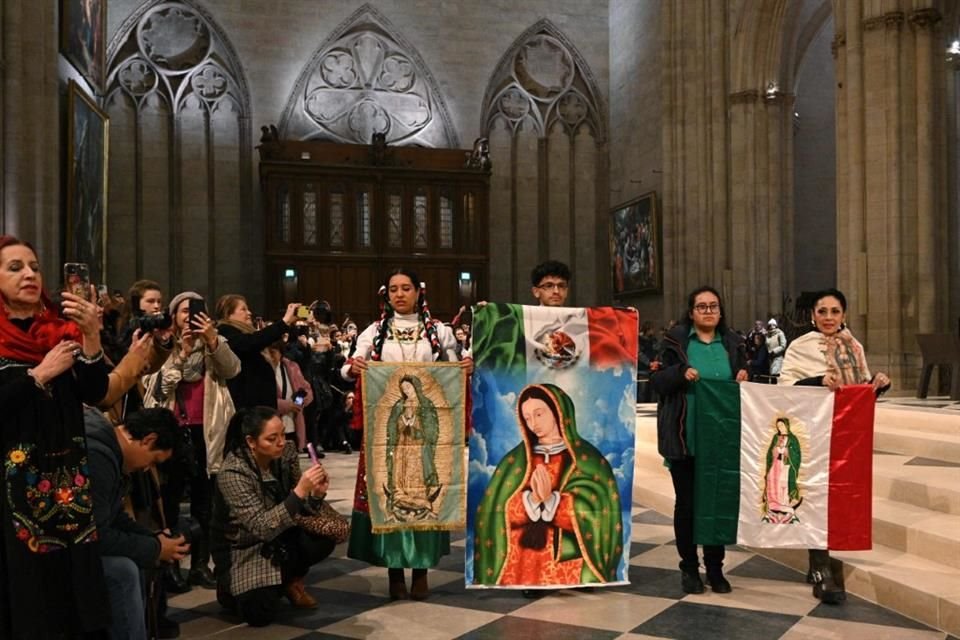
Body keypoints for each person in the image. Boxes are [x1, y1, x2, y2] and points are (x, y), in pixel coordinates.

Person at [0, 235, 111, 638]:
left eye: (34, 266)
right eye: (15, 267)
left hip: (66, 487)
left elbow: (95, 392)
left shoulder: (61, 329)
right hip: (13, 492)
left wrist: (92, 336)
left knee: (73, 587)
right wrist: (37, 376)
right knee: (26, 588)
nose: (29, 274)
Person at [342, 268, 471, 600]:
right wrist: (354, 367)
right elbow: (348, 365)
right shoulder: (375, 331)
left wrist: (464, 368)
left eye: (406, 289)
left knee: (425, 495)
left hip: (424, 436)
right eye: (394, 290)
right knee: (388, 500)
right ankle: (395, 572)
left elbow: (454, 368)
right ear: (387, 294)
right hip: (389, 436)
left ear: (418, 292)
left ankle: (422, 571)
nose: (400, 295)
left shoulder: (439, 332)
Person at [778, 287, 890, 604]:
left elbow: (860, 393)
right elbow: (786, 388)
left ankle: (824, 558)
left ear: (844, 314)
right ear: (812, 315)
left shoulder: (853, 346)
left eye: (835, 311)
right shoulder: (799, 348)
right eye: (822, 311)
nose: (829, 317)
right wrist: (816, 381)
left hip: (845, 435)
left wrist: (878, 386)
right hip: (811, 431)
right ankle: (820, 566)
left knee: (838, 496)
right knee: (814, 495)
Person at [473, 384, 622, 586]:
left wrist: (553, 501)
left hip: (569, 561)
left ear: (557, 411)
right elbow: (495, 509)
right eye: (527, 418)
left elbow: (599, 507)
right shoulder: (515, 461)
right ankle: (529, 584)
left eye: (539, 414)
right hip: (520, 561)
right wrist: (531, 500)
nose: (533, 423)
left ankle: (583, 583)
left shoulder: (587, 458)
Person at [650, 285, 748, 595]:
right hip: (685, 436)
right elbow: (657, 381)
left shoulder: (733, 344)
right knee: (688, 505)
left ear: (721, 311)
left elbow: (746, 381)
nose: (708, 311)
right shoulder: (675, 343)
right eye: (701, 306)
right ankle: (690, 568)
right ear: (691, 312)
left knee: (717, 500)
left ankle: (716, 568)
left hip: (721, 438)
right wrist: (681, 372)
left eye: (713, 306)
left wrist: (745, 374)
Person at [143, 291, 241, 589]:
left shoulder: (214, 344)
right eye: (183, 310)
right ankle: (170, 564)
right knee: (169, 502)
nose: (189, 315)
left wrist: (212, 341)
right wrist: (183, 353)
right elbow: (157, 390)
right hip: (173, 433)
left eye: (195, 310)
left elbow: (232, 369)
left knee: (205, 502)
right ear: (173, 316)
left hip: (208, 433)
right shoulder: (162, 348)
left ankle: (200, 564)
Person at [211, 407, 336, 627]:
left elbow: (300, 510)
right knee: (260, 615)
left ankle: (288, 580)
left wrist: (315, 495)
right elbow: (261, 527)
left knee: (323, 537)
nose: (281, 442)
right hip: (245, 547)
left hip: (281, 536)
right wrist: (299, 492)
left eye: (283, 434)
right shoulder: (233, 472)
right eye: (272, 438)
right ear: (251, 441)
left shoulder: (285, 454)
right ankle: (229, 587)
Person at [85, 407, 189, 640]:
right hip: (62, 551)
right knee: (123, 571)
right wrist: (155, 548)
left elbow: (114, 516)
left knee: (132, 564)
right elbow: (96, 533)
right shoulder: (98, 455)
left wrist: (153, 539)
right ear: (148, 439)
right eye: (153, 460)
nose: (147, 468)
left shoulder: (108, 449)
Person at [216, 295, 302, 410]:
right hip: (248, 408)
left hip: (259, 407)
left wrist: (289, 322)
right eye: (243, 309)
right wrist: (284, 322)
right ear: (228, 314)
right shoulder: (225, 331)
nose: (249, 313)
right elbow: (252, 342)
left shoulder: (242, 333)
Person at [384, 375, 441, 523]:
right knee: (401, 469)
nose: (406, 391)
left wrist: (414, 420)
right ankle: (400, 496)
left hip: (418, 445)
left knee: (416, 470)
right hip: (402, 444)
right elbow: (392, 426)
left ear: (416, 387)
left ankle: (419, 498)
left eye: (408, 387)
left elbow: (431, 427)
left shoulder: (425, 404)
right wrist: (404, 419)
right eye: (403, 389)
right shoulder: (399, 404)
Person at [264, 339, 314, 451]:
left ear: (281, 353)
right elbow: (261, 398)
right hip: (271, 427)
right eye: (266, 353)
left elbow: (307, 390)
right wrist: (286, 405)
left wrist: (299, 402)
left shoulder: (292, 367)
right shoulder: (261, 370)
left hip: (293, 425)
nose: (269, 357)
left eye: (273, 352)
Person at [761, 417, 802, 523]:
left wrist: (787, 451)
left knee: (782, 484)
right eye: (778, 426)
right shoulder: (776, 437)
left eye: (782, 425)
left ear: (786, 425)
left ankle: (784, 507)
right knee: (772, 482)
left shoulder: (793, 439)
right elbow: (770, 452)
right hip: (775, 465)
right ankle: (773, 506)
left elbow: (797, 454)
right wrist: (774, 451)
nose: (780, 428)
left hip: (785, 466)